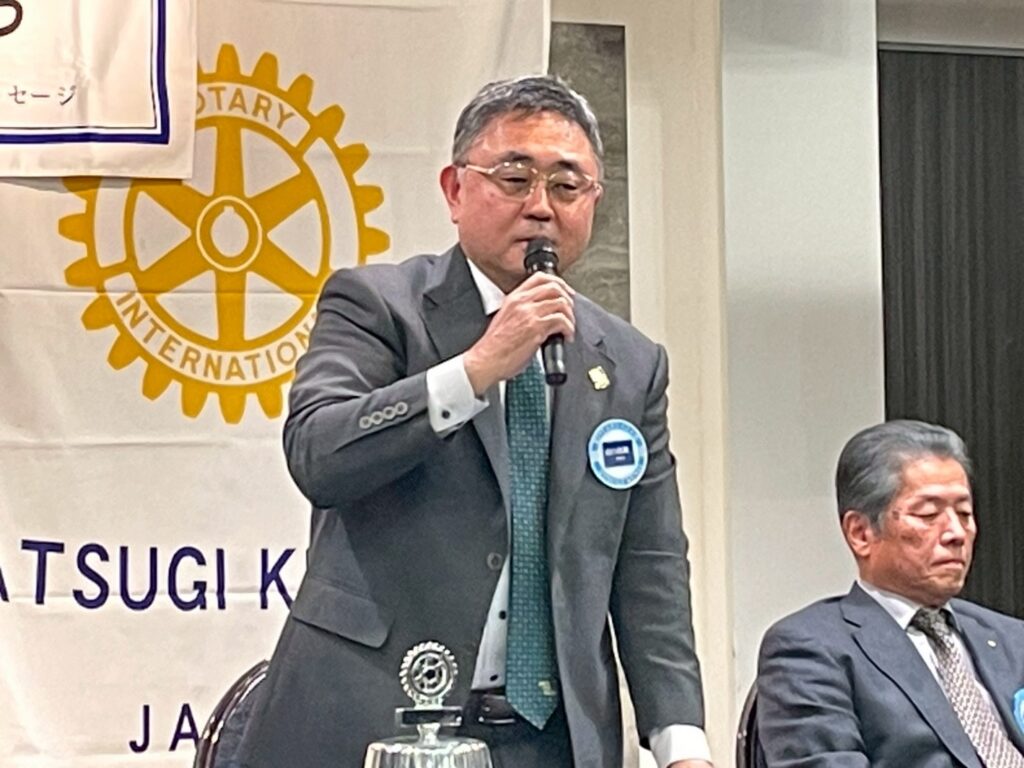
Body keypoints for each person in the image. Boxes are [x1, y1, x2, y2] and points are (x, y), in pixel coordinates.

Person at [237, 75, 711, 768]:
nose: (540, 207)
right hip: (375, 722)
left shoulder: (631, 364)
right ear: (455, 191)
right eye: (515, 179)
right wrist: (476, 368)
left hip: (552, 740)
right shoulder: (379, 306)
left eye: (566, 185)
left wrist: (682, 745)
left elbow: (650, 566)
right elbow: (319, 453)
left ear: (594, 201)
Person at [757, 419, 1024, 767]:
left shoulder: (1013, 639)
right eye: (928, 514)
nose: (956, 533)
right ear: (861, 533)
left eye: (964, 513)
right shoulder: (809, 649)